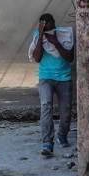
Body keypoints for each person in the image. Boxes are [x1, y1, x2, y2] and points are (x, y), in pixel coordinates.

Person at [29, 13, 74, 157]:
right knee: (46, 105)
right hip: (45, 77)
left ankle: (62, 135)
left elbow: (70, 57)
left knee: (66, 110)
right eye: (45, 27)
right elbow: (37, 58)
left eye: (51, 25)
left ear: (54, 23)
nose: (49, 28)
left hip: (64, 77)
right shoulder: (37, 36)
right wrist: (41, 36)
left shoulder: (63, 34)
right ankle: (47, 142)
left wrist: (55, 42)